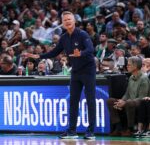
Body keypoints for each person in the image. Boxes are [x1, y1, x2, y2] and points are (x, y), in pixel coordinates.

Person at [23, 11, 96, 140]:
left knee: (90, 100)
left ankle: (91, 131)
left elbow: (91, 49)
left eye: (69, 19)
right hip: (75, 71)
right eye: (65, 20)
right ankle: (72, 131)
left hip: (88, 70)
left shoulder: (82, 34)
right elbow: (54, 52)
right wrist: (39, 56)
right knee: (73, 101)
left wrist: (81, 53)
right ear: (62, 23)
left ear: (74, 21)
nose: (67, 21)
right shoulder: (63, 37)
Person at [107, 56, 150, 137]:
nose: (127, 66)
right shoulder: (131, 77)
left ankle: (130, 129)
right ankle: (118, 127)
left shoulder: (144, 78)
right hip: (130, 101)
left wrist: (125, 102)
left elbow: (142, 97)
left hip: (141, 102)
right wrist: (121, 101)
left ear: (136, 66)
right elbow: (127, 93)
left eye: (129, 65)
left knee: (129, 102)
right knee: (110, 101)